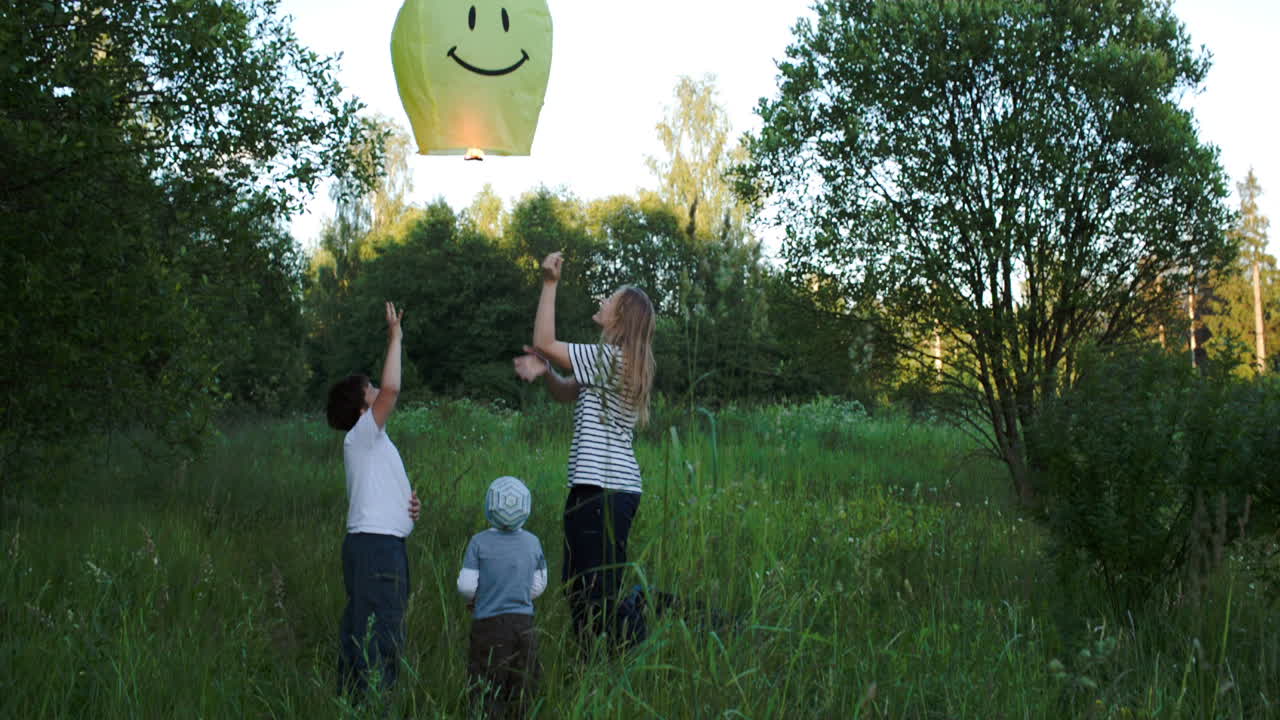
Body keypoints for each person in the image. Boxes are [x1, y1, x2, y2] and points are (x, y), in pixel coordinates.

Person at [513, 251, 656, 650]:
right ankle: (599, 659)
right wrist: (547, 372)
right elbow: (564, 392)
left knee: (594, 595)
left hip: (604, 491)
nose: (601, 301)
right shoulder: (606, 362)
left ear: (621, 316)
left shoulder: (610, 359)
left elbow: (544, 341)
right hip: (594, 490)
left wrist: (550, 284)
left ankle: (635, 627)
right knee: (579, 589)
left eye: (610, 298)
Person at [325, 301, 422, 702]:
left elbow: (384, 490)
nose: (380, 390)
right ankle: (373, 705)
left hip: (380, 546)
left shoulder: (373, 440)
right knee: (379, 634)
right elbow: (395, 388)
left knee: (364, 627)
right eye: (372, 389)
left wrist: (409, 509)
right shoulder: (361, 435)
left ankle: (352, 701)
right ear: (363, 406)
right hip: (376, 549)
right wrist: (395, 336)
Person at [457, 476, 547, 719]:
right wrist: (517, 592)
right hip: (524, 626)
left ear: (489, 507)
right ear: (525, 509)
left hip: (488, 626)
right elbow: (539, 584)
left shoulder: (479, 542)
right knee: (522, 685)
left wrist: (481, 595)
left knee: (486, 684)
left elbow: (466, 586)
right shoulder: (533, 543)